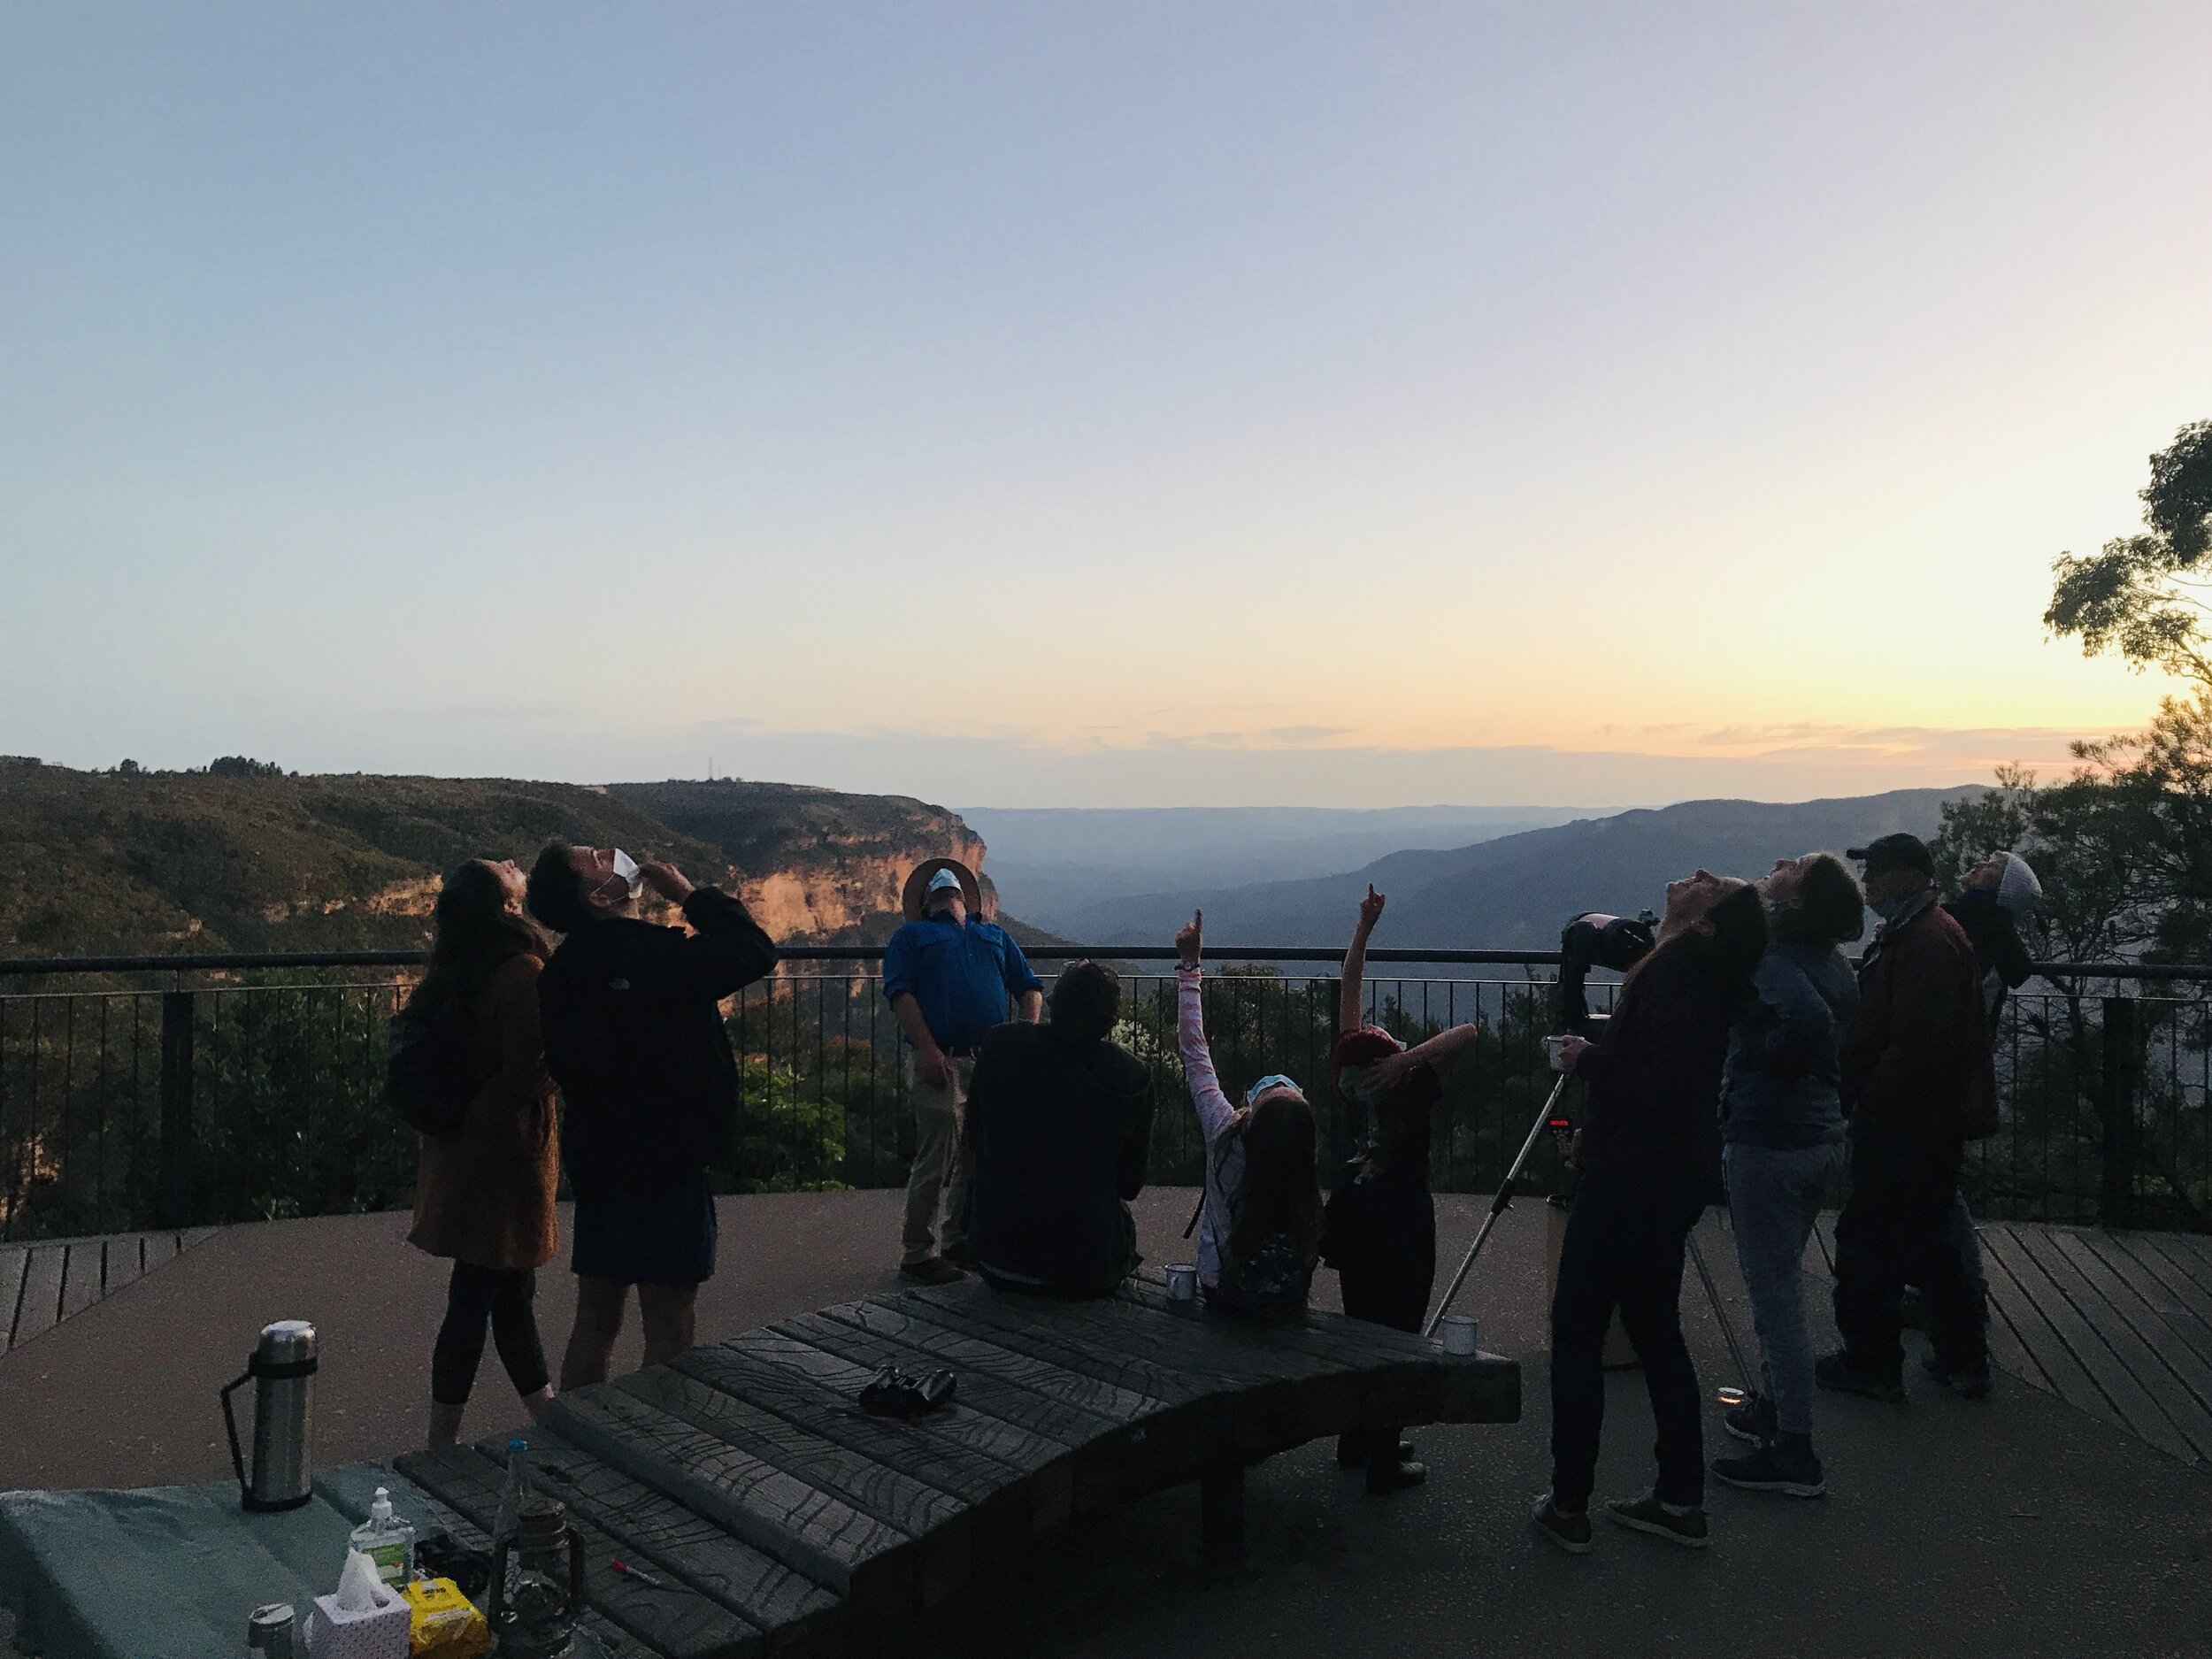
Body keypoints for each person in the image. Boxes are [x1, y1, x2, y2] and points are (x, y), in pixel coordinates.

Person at [1531, 869, 1765, 1555]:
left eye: (1711, 884)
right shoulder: (1690, 974)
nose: (1696, 876)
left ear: (1705, 922)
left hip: (1629, 1179)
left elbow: (1667, 1082)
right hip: (1667, 1175)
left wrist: (1588, 1059)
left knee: (1577, 1332)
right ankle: (1679, 1497)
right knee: (1655, 1329)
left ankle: (1569, 1502)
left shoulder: (1672, 976)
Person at [528, 843, 779, 1387]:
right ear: (600, 894)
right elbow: (755, 950)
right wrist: (689, 896)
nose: (606, 852)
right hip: (669, 1157)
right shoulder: (658, 957)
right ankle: (659, 1445)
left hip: (601, 1155)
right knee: (669, 1320)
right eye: (593, 858)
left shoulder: (561, 972)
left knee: (595, 1318)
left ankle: (576, 1442)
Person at [1818, 833, 1995, 1402]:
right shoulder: (1925, 933)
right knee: (1929, 1240)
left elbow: (1916, 1044)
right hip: (1923, 1122)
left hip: (1905, 1124)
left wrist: (1869, 1103)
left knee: (1866, 1241)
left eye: (1879, 872)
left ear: (1911, 876)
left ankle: (1872, 1362)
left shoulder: (1926, 942)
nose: (1868, 884)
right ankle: (1961, 1356)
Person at [1709, 853, 1863, 1498]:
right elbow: (1834, 1028)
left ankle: (1794, 1450)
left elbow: (1807, 1023)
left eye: (1793, 868)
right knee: (1779, 1280)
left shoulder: (1775, 962)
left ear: (1796, 902)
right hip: (1822, 1138)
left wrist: (1769, 1060)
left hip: (1770, 1143)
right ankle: (1772, 1408)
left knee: (1776, 1299)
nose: (1778, 865)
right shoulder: (1831, 963)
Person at [1322, 884, 1480, 1494]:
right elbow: (1466, 1032)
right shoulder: (1410, 1090)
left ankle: (1355, 1435)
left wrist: (1363, 928)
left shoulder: (1350, 1085)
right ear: (1389, 1060)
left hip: (1353, 1215)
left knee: (1360, 1322)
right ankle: (1384, 1459)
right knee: (1399, 1331)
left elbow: (1349, 986)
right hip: (1403, 1219)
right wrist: (1408, 1059)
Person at [404, 858, 560, 1448]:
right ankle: (441, 1440)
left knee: (504, 1290)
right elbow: (529, 1073)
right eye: (506, 870)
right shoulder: (522, 972)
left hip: (464, 1150)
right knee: (478, 1294)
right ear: (507, 906)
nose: (515, 865)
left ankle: (546, 1413)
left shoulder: (458, 967)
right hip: (506, 1160)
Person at [1900, 850, 2042, 1352]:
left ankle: (1954, 1292)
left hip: (1940, 1065)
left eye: (1990, 866)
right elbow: (2018, 971)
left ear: (1996, 887)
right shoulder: (1996, 925)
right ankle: (1949, 1288)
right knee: (1938, 1177)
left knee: (1931, 1179)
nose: (1978, 864)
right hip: (1965, 1063)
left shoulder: (1964, 918)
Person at [881, 858, 1044, 1285]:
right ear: (925, 902)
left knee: (975, 1153)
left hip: (989, 1061)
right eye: (939, 890)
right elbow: (900, 994)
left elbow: (1028, 986)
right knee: (938, 1152)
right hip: (942, 1059)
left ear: (966, 899)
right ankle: (917, 1252)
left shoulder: (994, 936)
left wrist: (1025, 1037)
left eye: (951, 889)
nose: (946, 892)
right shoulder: (911, 937)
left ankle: (957, 1241)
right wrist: (928, 1049)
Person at [964, 960, 1156, 1298]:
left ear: (1053, 1003)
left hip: (998, 1258)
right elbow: (1129, 1185)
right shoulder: (1132, 1077)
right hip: (1086, 1269)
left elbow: (972, 1137)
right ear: (1110, 1022)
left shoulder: (1001, 1045)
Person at [1175, 910, 1325, 1320]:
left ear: (1251, 1114)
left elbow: (1194, 1050)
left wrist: (1190, 968)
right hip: (1286, 1302)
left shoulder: (1224, 1135)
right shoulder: (1301, 1164)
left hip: (1221, 1292)